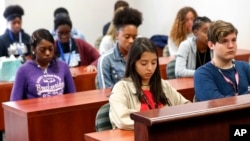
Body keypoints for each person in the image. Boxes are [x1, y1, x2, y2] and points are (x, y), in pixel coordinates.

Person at [109, 37, 190, 130]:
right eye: (144, 63)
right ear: (133, 63)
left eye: (154, 62)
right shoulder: (121, 88)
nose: (150, 68)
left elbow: (186, 106)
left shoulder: (163, 85)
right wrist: (158, 124)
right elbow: (122, 120)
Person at [10, 28, 76, 101]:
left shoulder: (63, 66)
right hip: (35, 111)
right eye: (42, 50)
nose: (47, 53)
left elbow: (72, 96)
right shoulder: (23, 70)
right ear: (33, 49)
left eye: (51, 49)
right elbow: (15, 102)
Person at [194, 20, 250, 102]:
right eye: (224, 41)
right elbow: (218, 105)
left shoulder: (245, 67)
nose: (231, 46)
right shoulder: (202, 74)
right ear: (211, 45)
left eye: (234, 40)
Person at [97, 7, 142, 89]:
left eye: (134, 37)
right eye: (127, 37)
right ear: (117, 35)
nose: (131, 41)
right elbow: (106, 92)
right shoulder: (106, 60)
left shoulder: (141, 56)